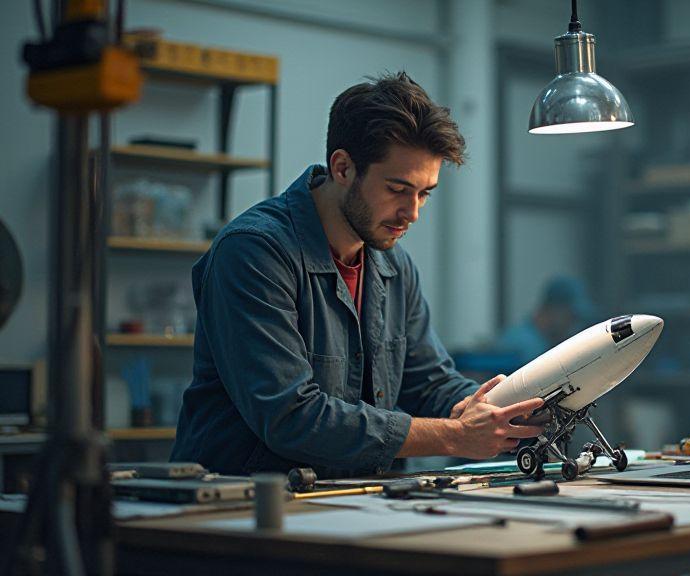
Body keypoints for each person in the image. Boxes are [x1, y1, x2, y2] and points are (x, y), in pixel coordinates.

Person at [171, 72, 544, 477]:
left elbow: (430, 383)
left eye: (424, 193)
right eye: (397, 189)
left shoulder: (393, 265)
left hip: (353, 503)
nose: (412, 213)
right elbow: (291, 416)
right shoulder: (253, 252)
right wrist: (454, 436)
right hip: (239, 511)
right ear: (343, 167)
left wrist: (499, 409)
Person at [496, 276, 596, 365]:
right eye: (572, 316)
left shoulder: (543, 341)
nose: (573, 324)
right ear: (554, 309)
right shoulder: (520, 343)